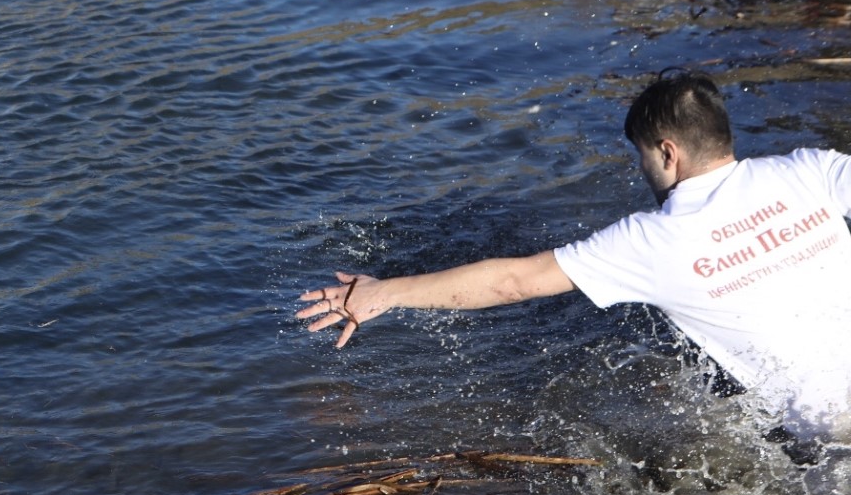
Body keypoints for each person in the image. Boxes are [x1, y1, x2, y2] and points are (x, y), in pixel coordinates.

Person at [297, 70, 851, 438]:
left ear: (667, 152)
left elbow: (512, 282)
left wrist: (385, 292)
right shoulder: (813, 169)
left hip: (828, 437)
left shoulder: (650, 240)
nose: (644, 172)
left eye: (644, 158)